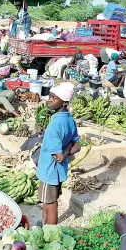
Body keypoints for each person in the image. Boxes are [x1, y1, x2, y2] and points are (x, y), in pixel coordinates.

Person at [37, 82, 81, 225]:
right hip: (60, 171)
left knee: (51, 204)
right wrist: (68, 146)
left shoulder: (54, 125)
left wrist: (64, 151)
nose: (50, 100)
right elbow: (77, 145)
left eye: (54, 98)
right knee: (48, 200)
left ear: (64, 102)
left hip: (49, 170)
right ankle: (44, 224)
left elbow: (59, 156)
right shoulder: (70, 120)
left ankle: (50, 230)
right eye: (50, 96)